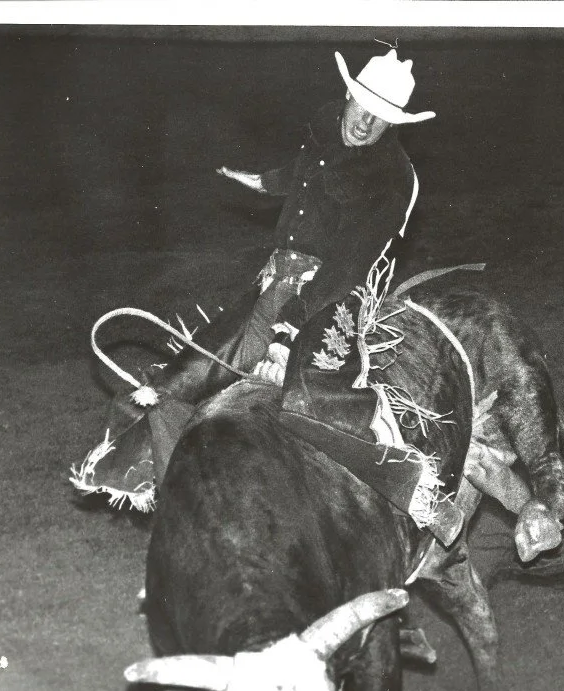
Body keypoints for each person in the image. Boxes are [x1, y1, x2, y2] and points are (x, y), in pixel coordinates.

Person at [72, 46, 436, 511]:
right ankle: (179, 503)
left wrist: (288, 332)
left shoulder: (391, 176)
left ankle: (402, 478)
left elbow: (349, 264)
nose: (365, 124)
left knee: (309, 401)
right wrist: (265, 182)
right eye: (362, 107)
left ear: (394, 124)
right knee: (182, 380)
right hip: (274, 282)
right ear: (348, 94)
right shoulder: (327, 125)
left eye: (380, 118)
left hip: (331, 295)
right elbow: (307, 172)